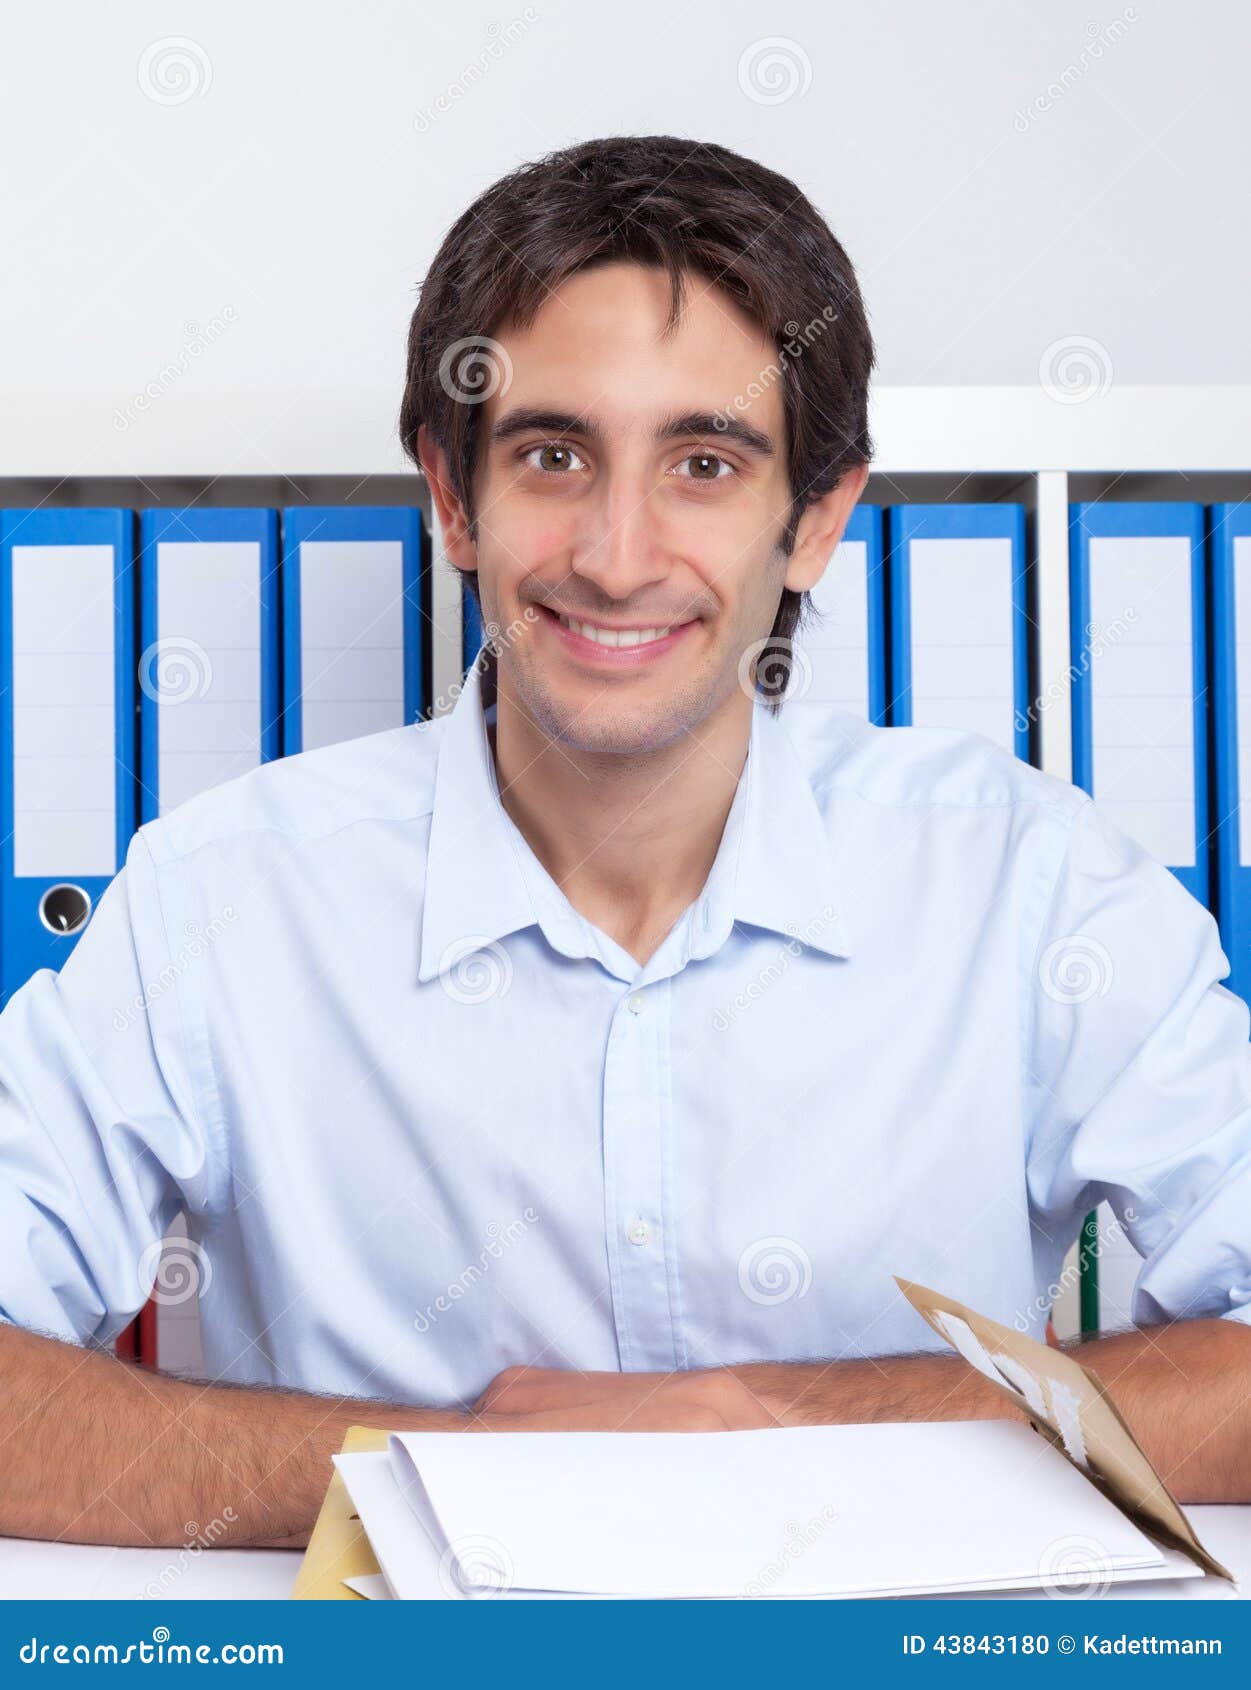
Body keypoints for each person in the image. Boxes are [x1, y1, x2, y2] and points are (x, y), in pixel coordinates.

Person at [2, 136, 1248, 1550]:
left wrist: (764, 1423)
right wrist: (459, 1469)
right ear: (452, 498)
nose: (615, 550)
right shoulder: (217, 902)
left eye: (704, 463)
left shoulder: (1030, 887)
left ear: (818, 519)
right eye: (552, 453)